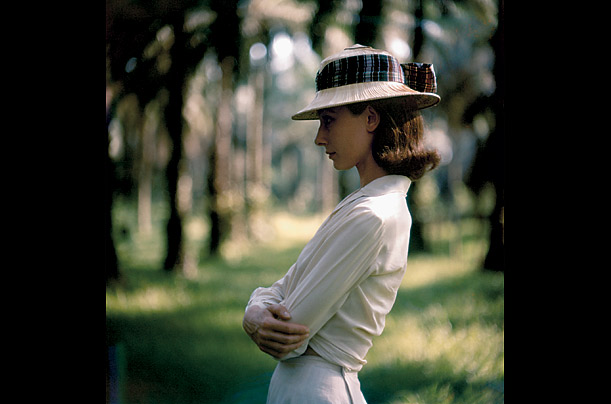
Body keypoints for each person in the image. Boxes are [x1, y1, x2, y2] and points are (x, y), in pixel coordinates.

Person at [242, 44, 441, 403]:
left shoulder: (373, 215)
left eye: (329, 120)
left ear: (370, 118)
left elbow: (288, 333)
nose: (320, 137)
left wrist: (257, 313)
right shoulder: (363, 205)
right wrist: (255, 309)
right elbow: (282, 288)